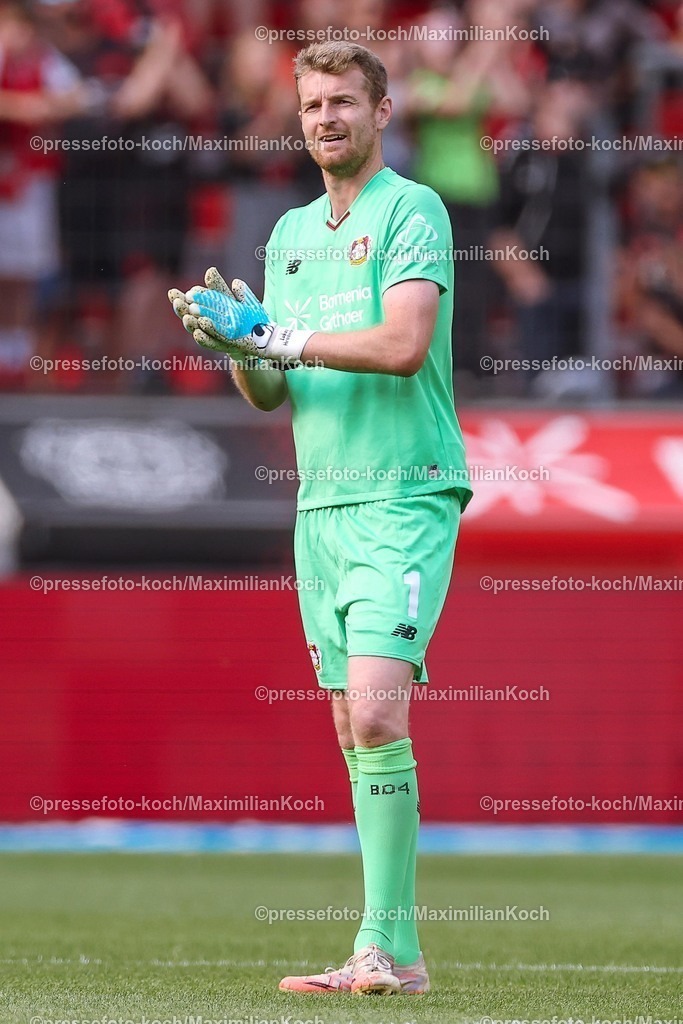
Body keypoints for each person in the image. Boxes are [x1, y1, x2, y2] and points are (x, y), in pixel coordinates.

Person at [169, 41, 472, 997]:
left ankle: (380, 948)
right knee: (352, 724)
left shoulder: (413, 209)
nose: (327, 119)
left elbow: (402, 344)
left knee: (377, 707)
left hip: (403, 490)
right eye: (311, 106)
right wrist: (240, 346)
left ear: (381, 113)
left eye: (344, 101)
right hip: (322, 504)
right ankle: (396, 955)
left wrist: (283, 334)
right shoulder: (290, 233)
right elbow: (271, 389)